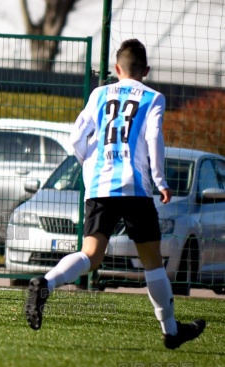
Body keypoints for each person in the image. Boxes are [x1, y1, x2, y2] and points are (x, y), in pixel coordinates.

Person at [25, 39, 206, 350]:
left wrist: (87, 163)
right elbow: (153, 138)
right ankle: (171, 331)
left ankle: (46, 283)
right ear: (146, 70)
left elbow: (76, 137)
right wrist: (161, 180)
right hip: (135, 188)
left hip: (100, 185)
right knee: (152, 263)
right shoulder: (153, 98)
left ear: (117, 69)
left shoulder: (99, 94)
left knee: (90, 255)